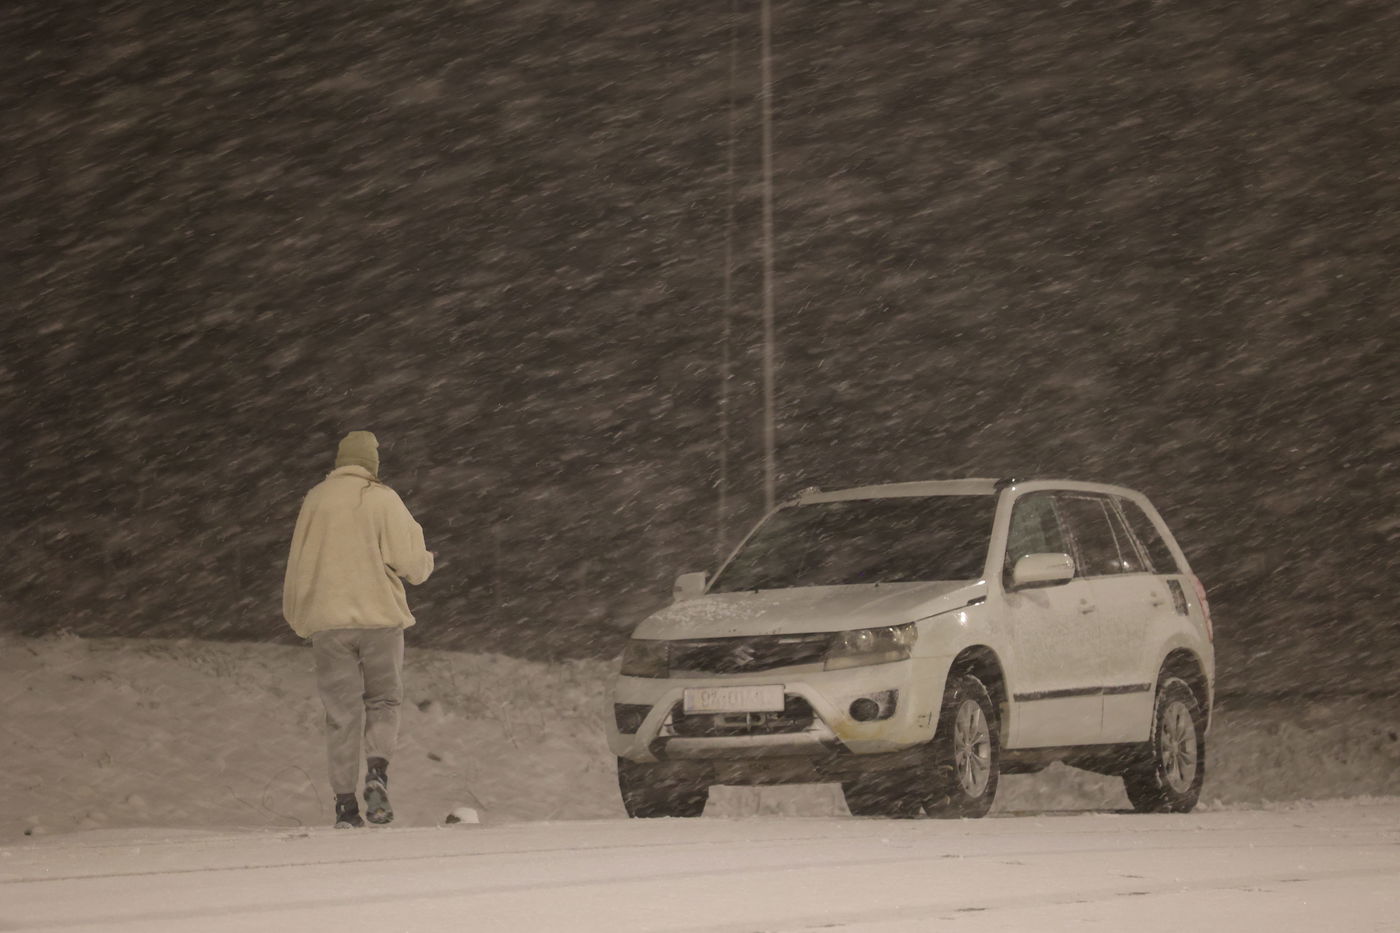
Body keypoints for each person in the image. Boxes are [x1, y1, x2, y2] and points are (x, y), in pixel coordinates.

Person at [283, 430, 435, 828]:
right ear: (372, 464)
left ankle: (345, 805)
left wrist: (301, 619)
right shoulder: (383, 498)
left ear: (339, 461)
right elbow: (412, 566)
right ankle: (377, 773)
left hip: (328, 624)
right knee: (383, 701)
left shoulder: (315, 499)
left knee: (341, 714)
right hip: (379, 619)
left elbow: (298, 564)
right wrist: (425, 560)